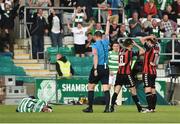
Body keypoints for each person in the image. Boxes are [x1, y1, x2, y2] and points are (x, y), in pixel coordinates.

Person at [82, 15, 111, 113]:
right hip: (106, 67)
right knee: (106, 88)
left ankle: (90, 108)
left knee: (91, 86)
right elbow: (107, 31)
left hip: (98, 66)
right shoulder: (106, 41)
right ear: (101, 36)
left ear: (95, 36)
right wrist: (107, 21)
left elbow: (95, 56)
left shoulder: (94, 45)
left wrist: (95, 69)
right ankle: (107, 108)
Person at [110, 38, 145, 113]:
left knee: (116, 90)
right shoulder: (129, 52)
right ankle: (139, 108)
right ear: (130, 45)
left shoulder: (121, 51)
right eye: (132, 45)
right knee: (133, 90)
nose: (133, 46)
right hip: (126, 74)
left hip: (119, 74)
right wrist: (136, 44)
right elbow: (143, 51)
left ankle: (112, 107)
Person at [140, 35, 160, 112]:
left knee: (147, 89)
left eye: (147, 41)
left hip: (147, 71)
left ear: (149, 42)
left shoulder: (149, 48)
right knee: (153, 90)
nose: (146, 42)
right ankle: (153, 108)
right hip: (153, 72)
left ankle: (150, 108)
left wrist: (150, 36)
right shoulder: (157, 48)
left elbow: (141, 38)